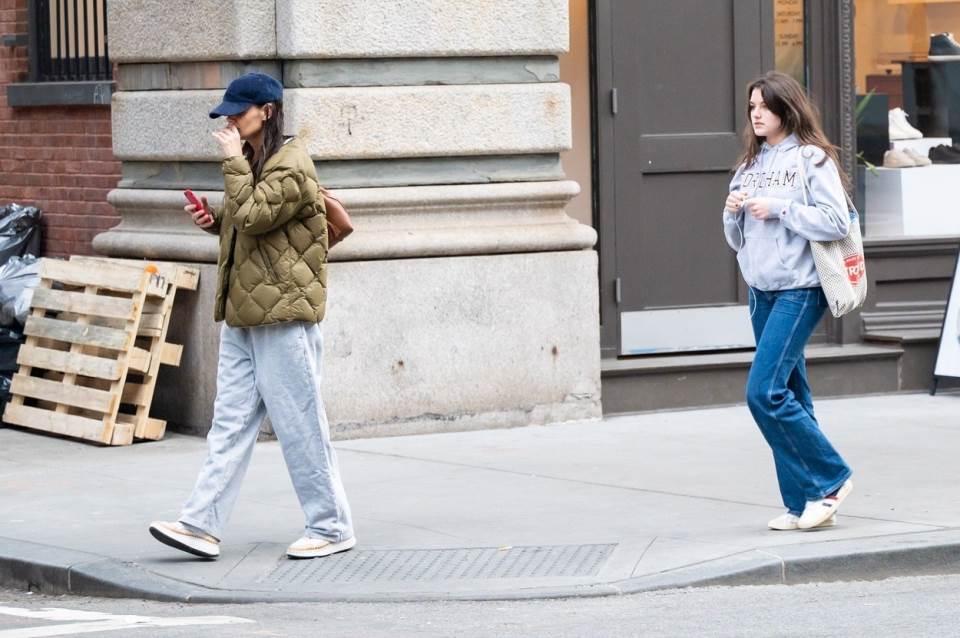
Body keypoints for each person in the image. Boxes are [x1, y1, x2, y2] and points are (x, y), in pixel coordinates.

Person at [149, 72, 355, 559]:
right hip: (245, 314)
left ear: (267, 111)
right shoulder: (256, 165)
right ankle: (200, 523)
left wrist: (230, 167)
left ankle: (331, 526)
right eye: (226, 113)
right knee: (229, 423)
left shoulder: (291, 164)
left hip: (282, 315)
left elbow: (257, 217)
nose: (228, 120)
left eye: (237, 112)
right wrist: (213, 220)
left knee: (300, 422)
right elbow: (248, 224)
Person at [722, 71, 854, 531]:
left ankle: (831, 479)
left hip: (801, 288)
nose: (756, 114)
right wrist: (733, 211)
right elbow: (736, 240)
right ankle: (804, 502)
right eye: (752, 106)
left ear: (786, 108)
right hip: (761, 291)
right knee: (792, 393)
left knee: (764, 392)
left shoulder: (811, 159)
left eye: (764, 106)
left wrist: (779, 208)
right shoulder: (749, 164)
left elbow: (836, 221)